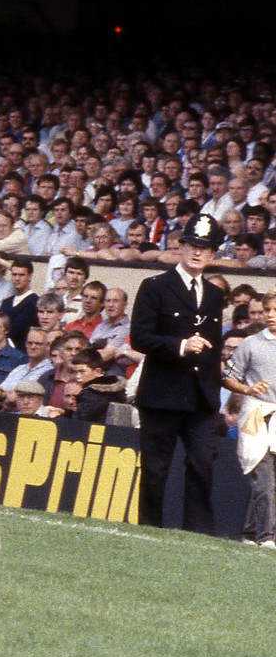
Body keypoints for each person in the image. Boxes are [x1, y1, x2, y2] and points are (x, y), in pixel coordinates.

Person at [130, 213, 226, 533]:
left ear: (213, 254)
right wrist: (181, 345)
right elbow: (141, 338)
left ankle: (197, 532)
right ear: (181, 247)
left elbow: (214, 347)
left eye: (206, 248)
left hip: (201, 397)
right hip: (162, 392)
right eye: (193, 245)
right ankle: (150, 529)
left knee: (202, 463)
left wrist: (219, 389)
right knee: (156, 468)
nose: (199, 253)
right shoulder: (155, 286)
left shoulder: (214, 294)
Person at [221, 293, 276, 549]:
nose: (271, 315)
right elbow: (228, 377)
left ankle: (249, 533)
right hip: (255, 414)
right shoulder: (251, 343)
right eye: (267, 310)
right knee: (263, 476)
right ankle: (267, 536)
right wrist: (247, 390)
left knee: (269, 479)